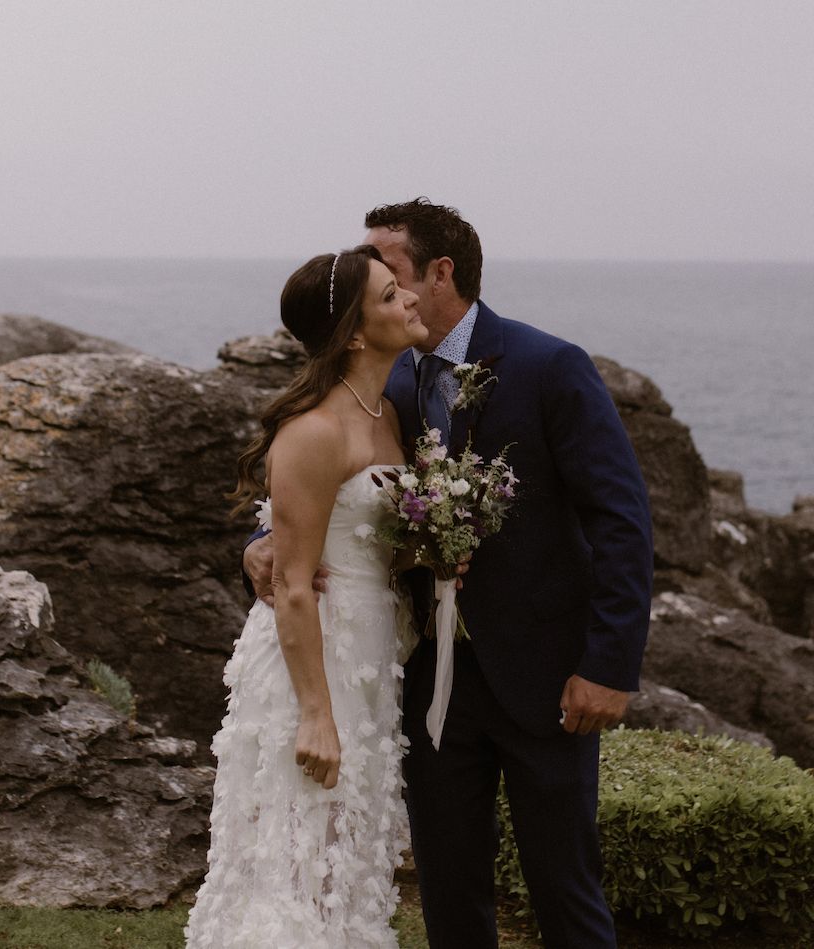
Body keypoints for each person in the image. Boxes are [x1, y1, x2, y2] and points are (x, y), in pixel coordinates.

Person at [246, 199, 655, 949]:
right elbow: (326, 473)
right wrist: (264, 538)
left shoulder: (547, 365)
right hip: (421, 677)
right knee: (449, 890)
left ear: (440, 273)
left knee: (565, 885)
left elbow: (622, 521)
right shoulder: (385, 380)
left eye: (392, 273)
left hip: (543, 677)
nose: (390, 293)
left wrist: (608, 665)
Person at [186, 244, 430, 948]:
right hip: (311, 664)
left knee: (341, 864)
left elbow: (363, 538)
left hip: (371, 658)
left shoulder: (387, 413)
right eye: (390, 295)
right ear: (354, 331)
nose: (408, 299)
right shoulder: (315, 430)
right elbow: (292, 584)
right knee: (293, 868)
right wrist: (316, 716)